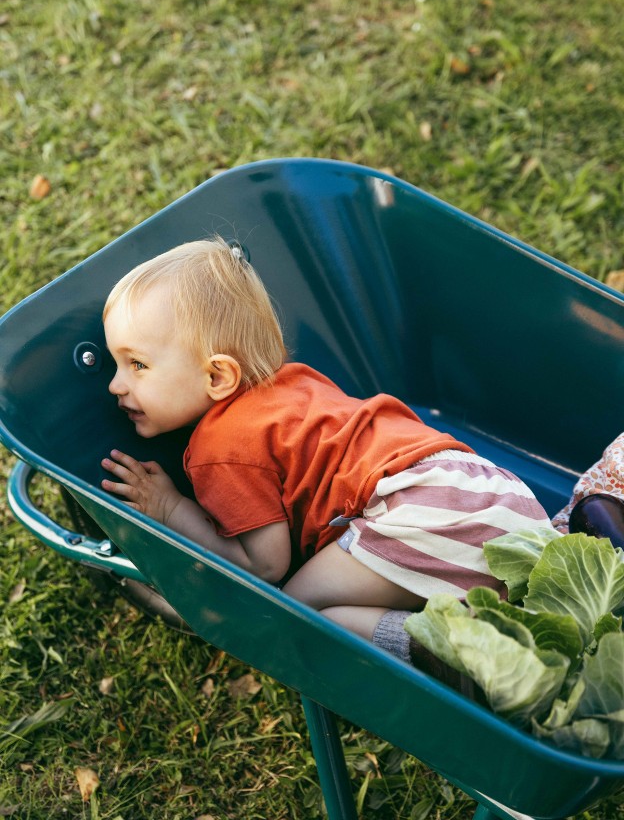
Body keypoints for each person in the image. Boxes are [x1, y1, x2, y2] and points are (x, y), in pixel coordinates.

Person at [100, 237, 554, 665]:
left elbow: (264, 564)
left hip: (422, 509)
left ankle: (441, 648)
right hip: (491, 492)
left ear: (218, 377)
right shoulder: (294, 383)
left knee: (292, 615)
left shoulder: (222, 444)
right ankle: (494, 621)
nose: (115, 385)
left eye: (137, 365)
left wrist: (170, 506)